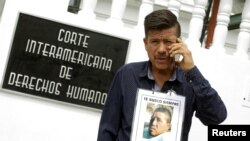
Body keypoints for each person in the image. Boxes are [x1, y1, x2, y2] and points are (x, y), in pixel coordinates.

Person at [97, 9, 227, 141]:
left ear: (179, 43)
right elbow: (107, 129)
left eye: (168, 42)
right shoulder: (126, 75)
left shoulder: (190, 81)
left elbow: (216, 117)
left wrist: (192, 71)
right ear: (145, 43)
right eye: (154, 42)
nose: (161, 49)